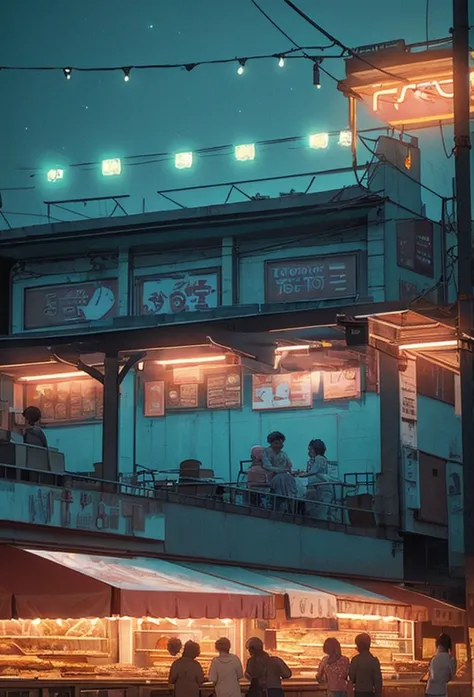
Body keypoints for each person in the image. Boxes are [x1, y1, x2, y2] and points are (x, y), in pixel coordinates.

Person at [305, 439, 338, 522]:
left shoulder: (319, 458)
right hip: (317, 488)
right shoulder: (313, 460)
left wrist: (301, 475)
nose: (309, 451)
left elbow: (314, 471)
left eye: (310, 449)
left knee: (321, 514)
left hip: (322, 488)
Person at [349, 633, 382, 697]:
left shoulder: (355, 660)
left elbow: (351, 677)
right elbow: (378, 681)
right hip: (370, 692)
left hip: (358, 691)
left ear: (359, 646)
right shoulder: (374, 661)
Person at [424, 633, 455, 697]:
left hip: (430, 690)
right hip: (441, 691)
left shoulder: (434, 659)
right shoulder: (449, 659)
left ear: (438, 646)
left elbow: (431, 675)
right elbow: (451, 676)